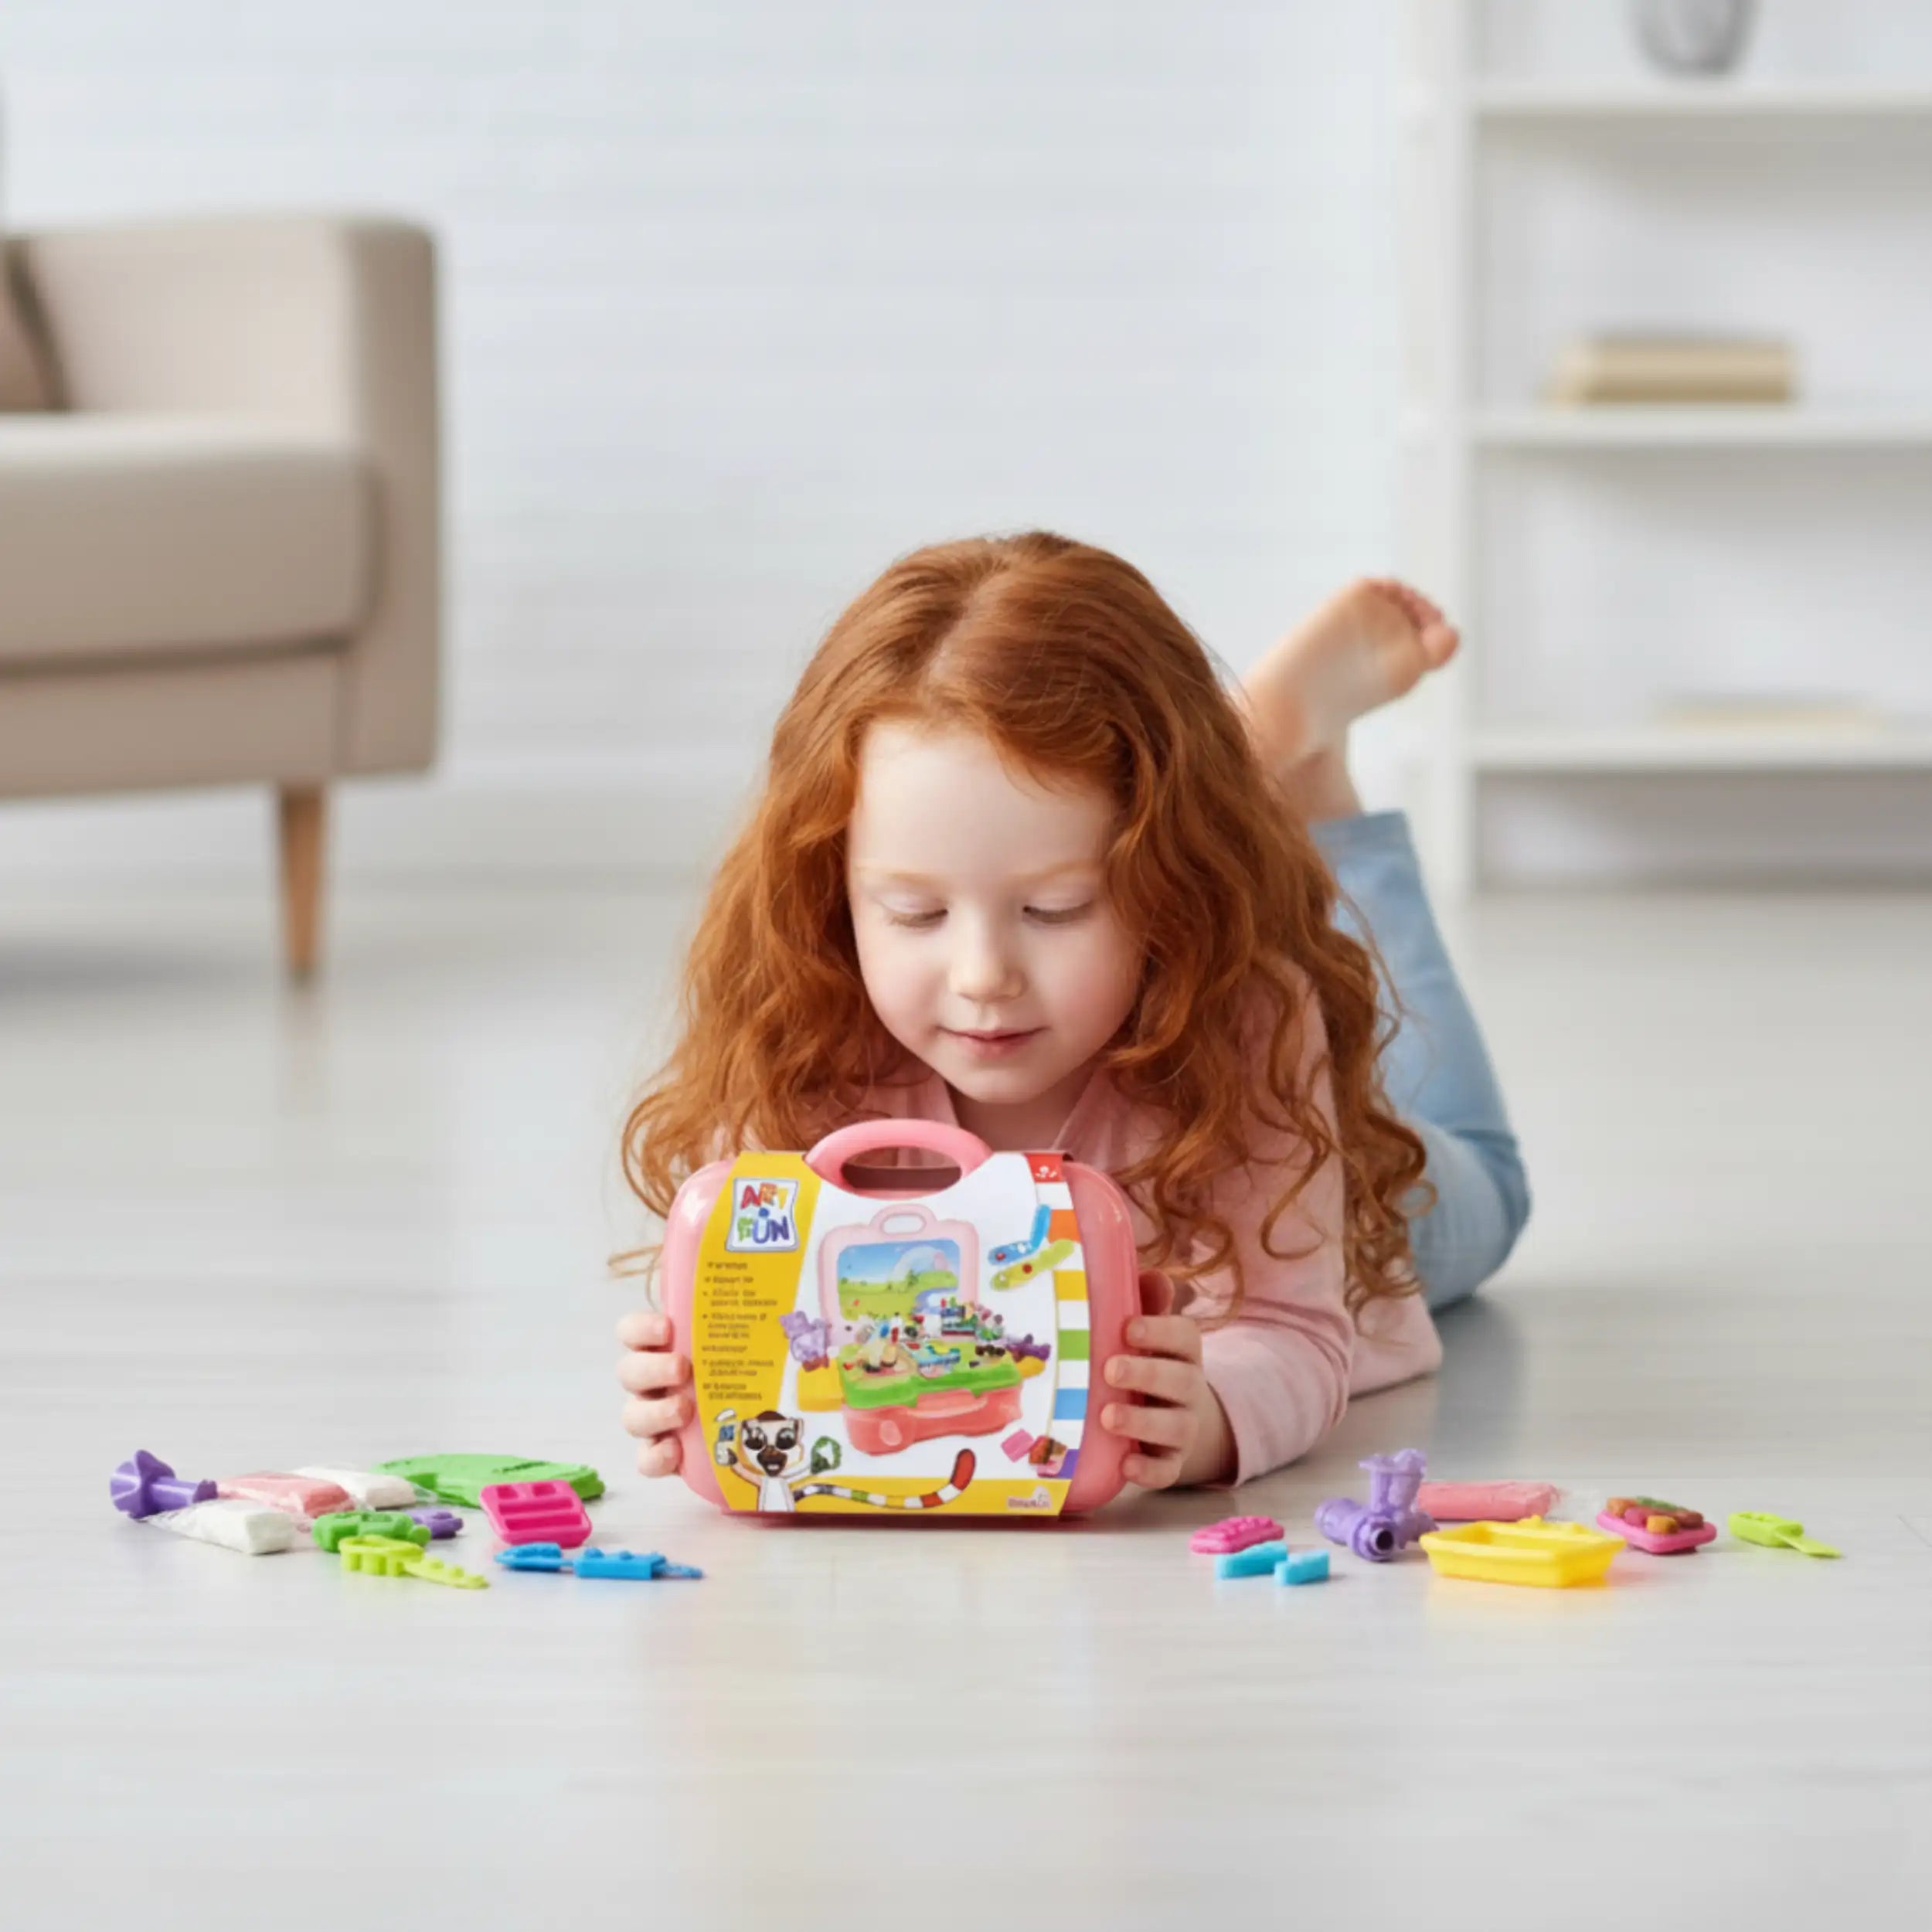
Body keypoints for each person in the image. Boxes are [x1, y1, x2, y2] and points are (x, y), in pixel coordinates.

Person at [615, 533, 1528, 1490]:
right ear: (829, 891)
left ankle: (1301, 776)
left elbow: (1293, 1326)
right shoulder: (804, 1033)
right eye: (915, 912)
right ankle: (1253, 756)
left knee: (1485, 1186)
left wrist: (1210, 1413)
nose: (982, 976)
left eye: (1054, 910)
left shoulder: (1246, 1023)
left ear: (1170, 887)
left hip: (1318, 1196)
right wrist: (684, 1379)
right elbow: (763, 1311)